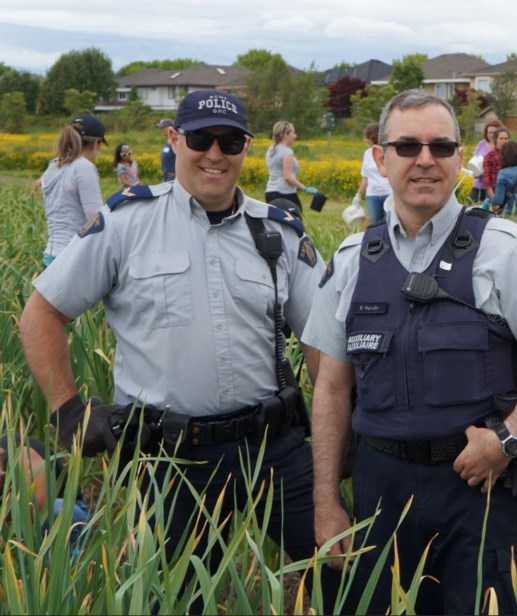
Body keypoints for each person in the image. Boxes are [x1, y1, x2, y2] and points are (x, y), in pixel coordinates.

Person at [19, 89, 333, 612]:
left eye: (230, 141)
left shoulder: (277, 230)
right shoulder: (125, 224)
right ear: (174, 139)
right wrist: (68, 407)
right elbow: (41, 312)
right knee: (175, 597)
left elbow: (323, 340)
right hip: (169, 458)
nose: (215, 152)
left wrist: (334, 432)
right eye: (200, 138)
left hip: (275, 449)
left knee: (341, 574)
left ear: (247, 147)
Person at [305, 89, 517, 615]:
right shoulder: (350, 261)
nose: (425, 160)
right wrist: (326, 503)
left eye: (441, 146)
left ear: (461, 158)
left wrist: (507, 441)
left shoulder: (502, 249)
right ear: (381, 159)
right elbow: (331, 387)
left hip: (478, 490)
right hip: (379, 492)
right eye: (407, 147)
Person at [38, 114, 107, 267]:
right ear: (97, 142)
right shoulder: (83, 167)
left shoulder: (54, 165)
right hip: (73, 259)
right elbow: (95, 218)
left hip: (50, 256)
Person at [265, 120, 319, 212]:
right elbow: (288, 177)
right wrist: (305, 188)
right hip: (285, 193)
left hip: (270, 192)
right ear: (285, 134)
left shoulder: (271, 150)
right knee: (295, 223)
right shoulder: (286, 152)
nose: (295, 136)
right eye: (293, 133)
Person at [355, 121, 392, 225]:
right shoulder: (367, 154)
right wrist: (358, 195)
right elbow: (365, 178)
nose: (365, 139)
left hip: (389, 193)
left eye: (366, 137)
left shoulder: (388, 151)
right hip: (372, 195)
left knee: (388, 224)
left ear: (371, 137)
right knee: (374, 225)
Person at [469, 119, 502, 203]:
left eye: (494, 132)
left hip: (494, 186)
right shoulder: (482, 144)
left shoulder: (502, 146)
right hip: (478, 184)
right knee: (473, 208)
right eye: (489, 132)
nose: (491, 135)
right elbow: (474, 159)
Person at [482, 127, 510, 202]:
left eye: (506, 138)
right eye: (501, 138)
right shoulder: (489, 156)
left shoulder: (511, 155)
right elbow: (487, 180)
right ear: (495, 140)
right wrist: (494, 199)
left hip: (509, 193)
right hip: (495, 193)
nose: (504, 141)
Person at [157, 118, 176, 182]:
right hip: (166, 178)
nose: (160, 130)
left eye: (162, 127)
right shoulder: (168, 141)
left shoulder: (176, 142)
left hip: (174, 178)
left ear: (170, 128)